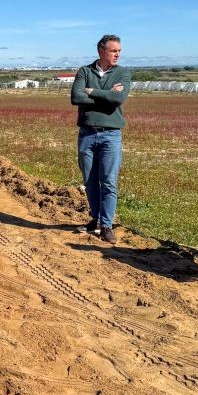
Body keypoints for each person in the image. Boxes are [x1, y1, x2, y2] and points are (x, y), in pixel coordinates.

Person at [71, 35, 132, 243]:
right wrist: (106, 96)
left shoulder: (122, 73)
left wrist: (92, 92)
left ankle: (106, 226)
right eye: (113, 51)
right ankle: (95, 220)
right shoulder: (85, 71)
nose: (117, 55)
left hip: (110, 135)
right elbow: (76, 97)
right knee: (90, 181)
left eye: (119, 51)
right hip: (87, 134)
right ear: (101, 51)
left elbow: (119, 98)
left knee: (108, 182)